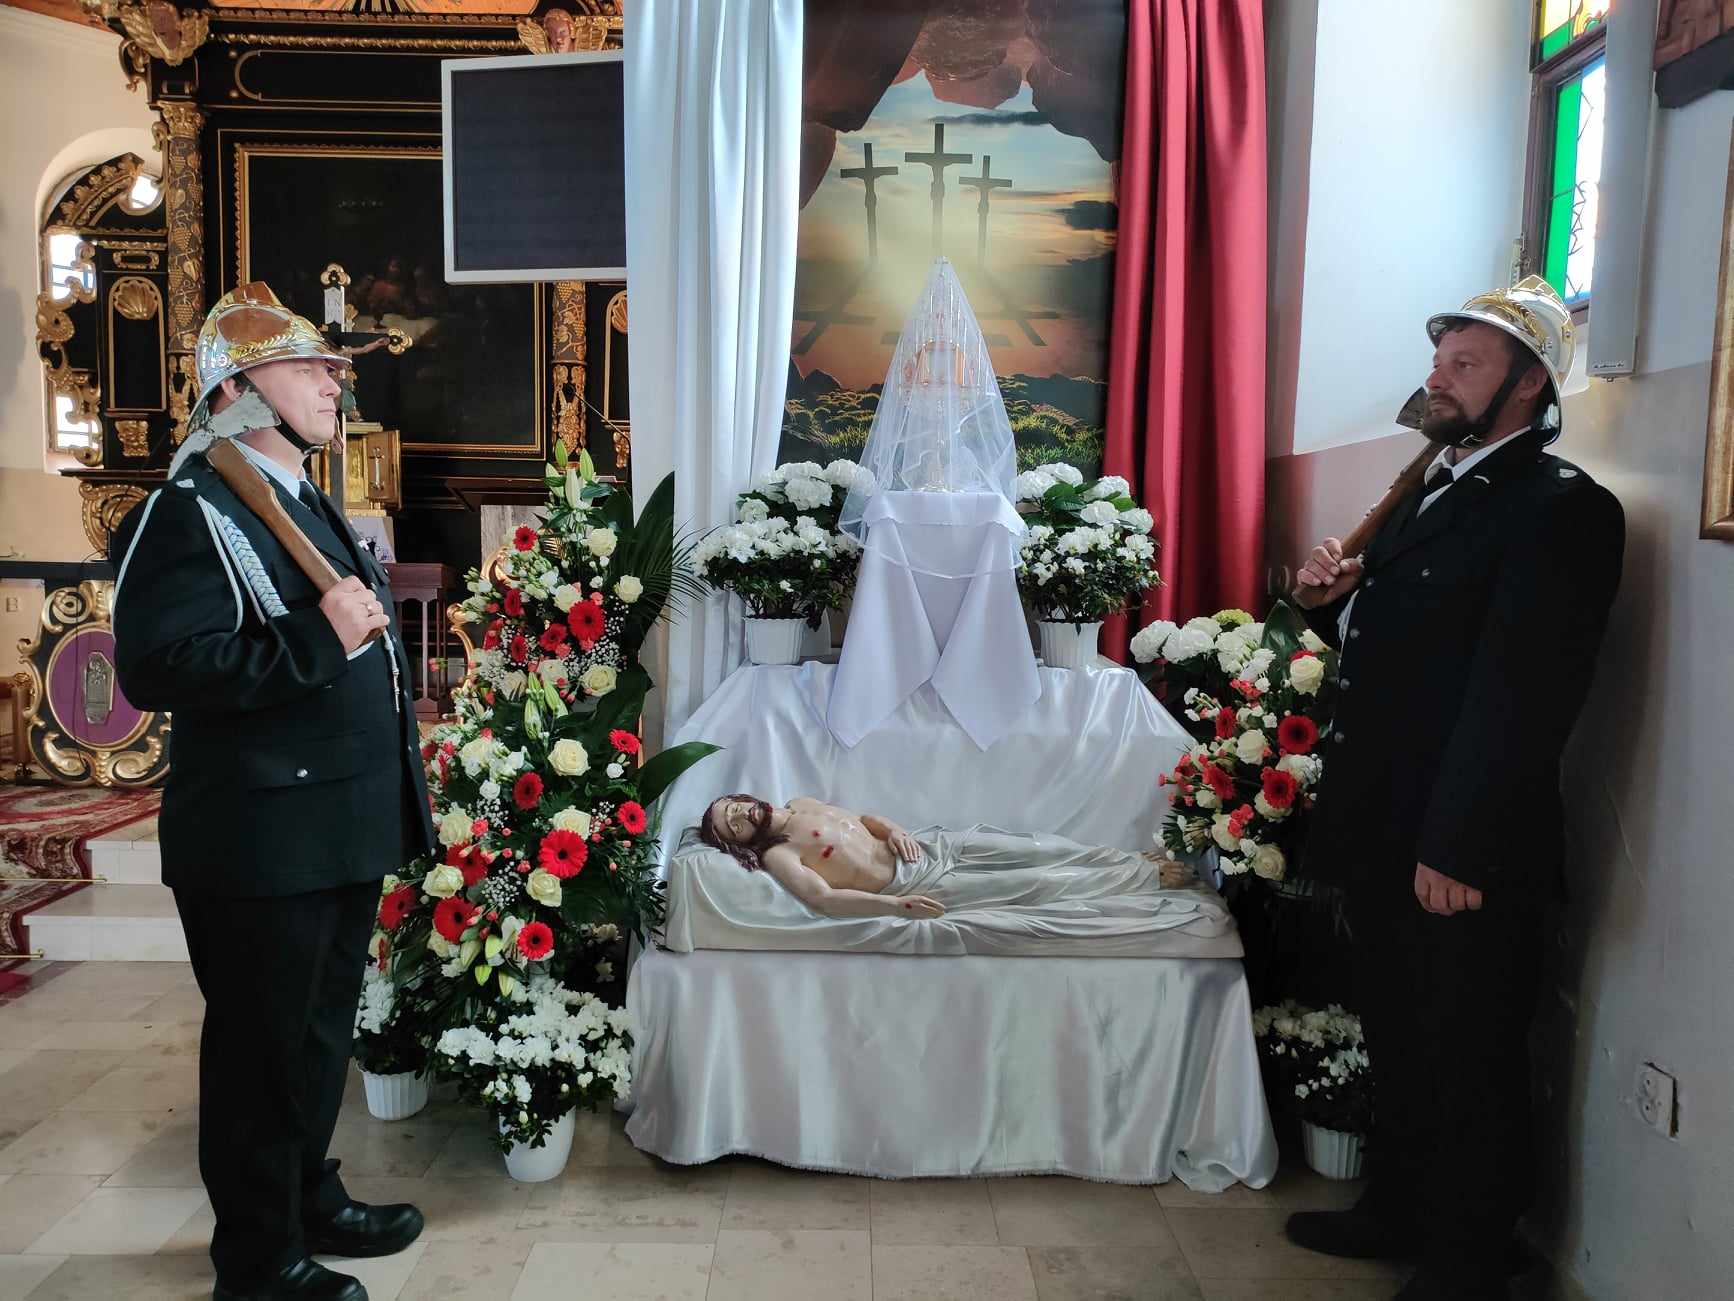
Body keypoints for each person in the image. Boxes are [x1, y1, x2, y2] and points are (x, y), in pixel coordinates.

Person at [1284, 277, 1625, 1301]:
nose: (1437, 379)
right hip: (1389, 821)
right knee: (1398, 1026)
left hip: (1460, 844)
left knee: (1469, 1047)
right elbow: (1405, 650)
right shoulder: (1433, 485)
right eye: (1439, 361)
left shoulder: (1559, 509)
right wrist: (1328, 605)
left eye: (1465, 364)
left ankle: (1471, 1258)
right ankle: (1398, 1206)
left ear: (1527, 386)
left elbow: (1523, 695)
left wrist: (1461, 844)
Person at [110, 283, 432, 1301]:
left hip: (329, 824)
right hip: (259, 836)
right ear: (236, 390)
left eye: (334, 368)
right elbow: (158, 665)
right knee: (260, 1053)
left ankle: (304, 1198)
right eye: (308, 368)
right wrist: (315, 635)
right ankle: (255, 1259)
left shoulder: (296, 495)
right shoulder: (187, 509)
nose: (336, 383)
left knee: (318, 1035)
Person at [697, 793, 1194, 921]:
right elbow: (822, 899)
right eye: (731, 825)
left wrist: (895, 830)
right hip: (912, 885)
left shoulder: (800, 802)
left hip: (929, 847)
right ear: (740, 842)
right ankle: (1142, 879)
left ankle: (1124, 859)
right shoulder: (780, 855)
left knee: (1038, 847)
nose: (739, 815)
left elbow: (864, 819)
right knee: (1035, 884)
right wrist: (895, 906)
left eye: (731, 806)